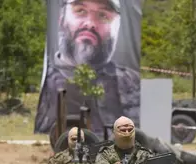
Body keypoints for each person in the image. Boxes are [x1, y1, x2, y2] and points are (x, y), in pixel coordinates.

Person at [34, 0, 140, 138]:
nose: (90, 24)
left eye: (103, 15)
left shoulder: (134, 84)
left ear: (118, 26)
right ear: (61, 18)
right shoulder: (45, 85)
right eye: (80, 11)